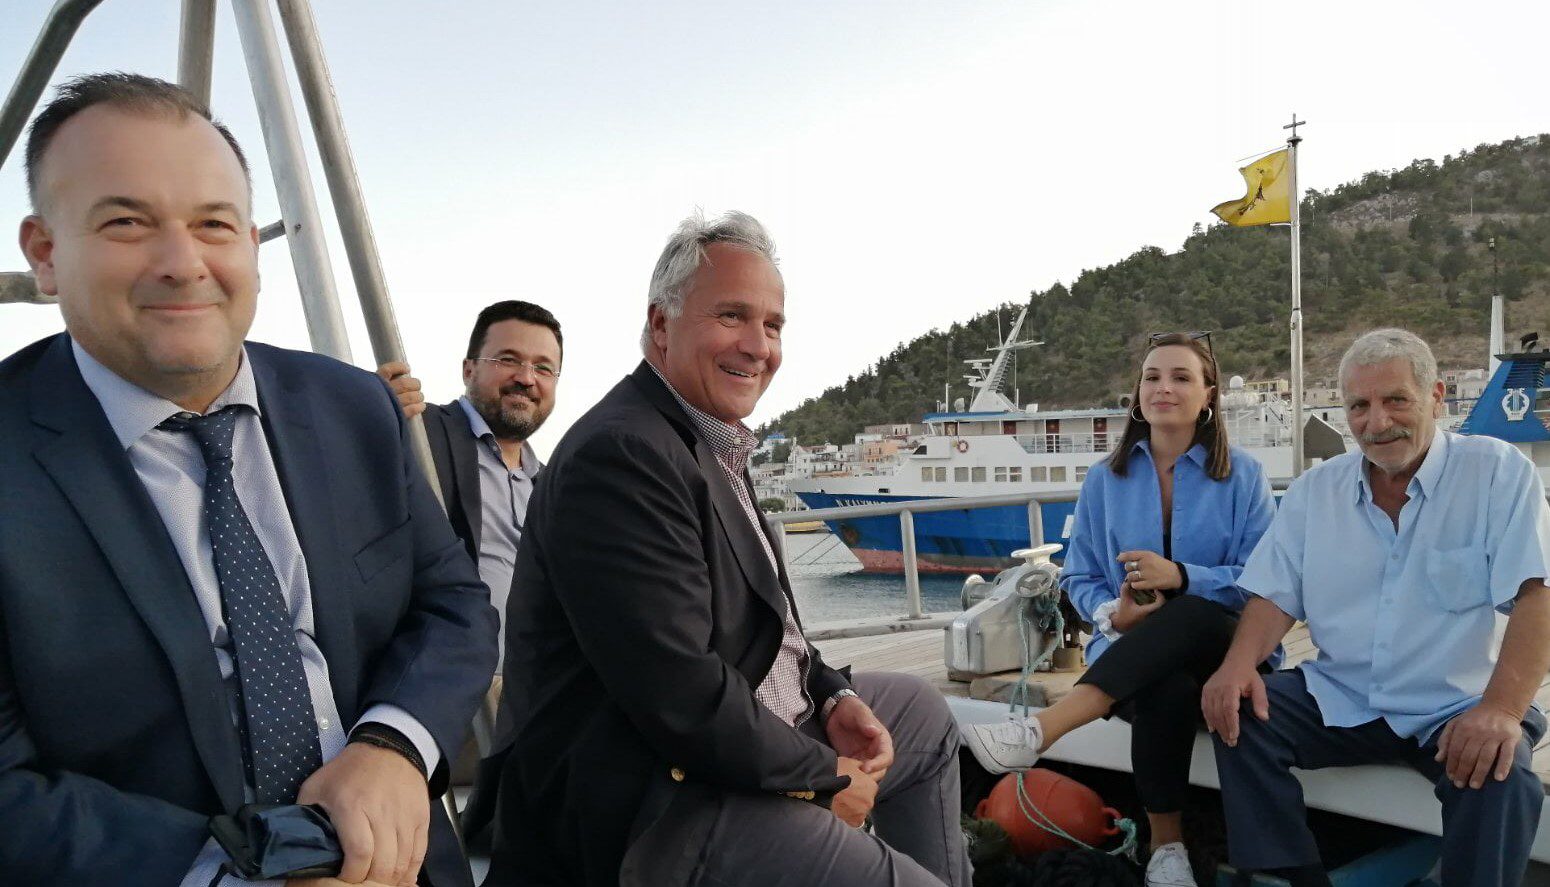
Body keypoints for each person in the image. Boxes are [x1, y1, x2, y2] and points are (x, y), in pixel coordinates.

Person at [0, 73, 499, 887]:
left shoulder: (354, 408)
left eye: (214, 223)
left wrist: (393, 744)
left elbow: (452, 604)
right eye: (127, 222)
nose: (183, 262)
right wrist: (238, 874)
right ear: (45, 252)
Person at [486, 211, 972, 886]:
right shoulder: (622, 454)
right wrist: (824, 776)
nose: (758, 345)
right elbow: (678, 690)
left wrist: (833, 697)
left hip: (735, 738)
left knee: (921, 713)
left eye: (773, 325)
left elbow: (774, 628)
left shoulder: (707, 438)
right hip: (652, 801)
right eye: (732, 316)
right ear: (661, 325)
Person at [1203, 328, 1550, 887]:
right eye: (1359, 406)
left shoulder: (1496, 472)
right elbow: (1273, 594)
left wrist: (1503, 711)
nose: (1377, 422)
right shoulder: (1317, 491)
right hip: (1345, 693)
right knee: (1241, 715)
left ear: (1436, 397)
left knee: (1503, 777)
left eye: (1396, 400)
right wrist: (1238, 664)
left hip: (1456, 701)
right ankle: (1296, 878)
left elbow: (1538, 595)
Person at [963, 331, 1276, 887]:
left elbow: (1264, 582)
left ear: (1208, 395)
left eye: (1181, 377)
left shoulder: (1244, 477)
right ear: (1137, 393)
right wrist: (1115, 615)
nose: (1163, 388)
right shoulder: (1105, 479)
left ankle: (1042, 730)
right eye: (1152, 377)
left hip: (1223, 649)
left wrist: (1182, 577)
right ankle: (1167, 851)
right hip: (1135, 656)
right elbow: (1079, 577)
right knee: (1166, 688)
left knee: (1190, 612)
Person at [376, 299, 562, 845]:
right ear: (468, 368)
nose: (526, 378)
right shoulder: (421, 435)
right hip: (468, 698)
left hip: (542, 690)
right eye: (508, 359)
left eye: (543, 368)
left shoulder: (551, 483)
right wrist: (372, 417)